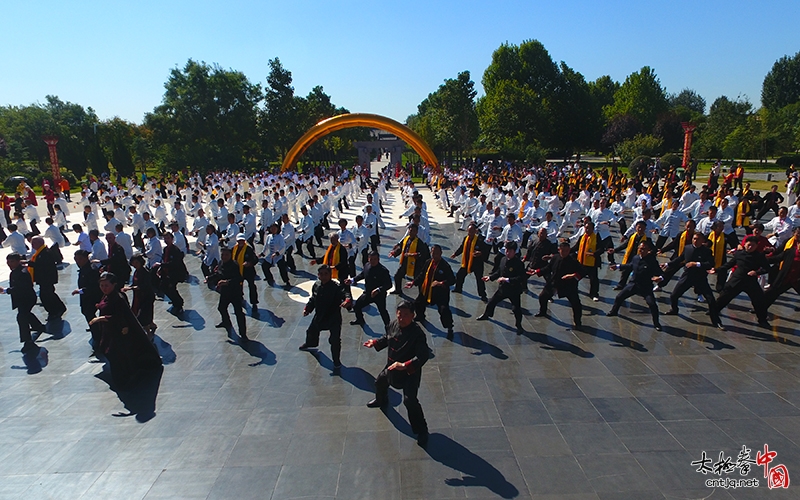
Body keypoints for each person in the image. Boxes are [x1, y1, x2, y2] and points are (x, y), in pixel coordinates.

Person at [363, 301, 430, 447]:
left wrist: (405, 365)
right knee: (379, 382)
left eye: (406, 315)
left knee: (409, 400)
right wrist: (375, 342)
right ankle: (382, 400)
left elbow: (423, 356)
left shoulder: (418, 334)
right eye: (400, 315)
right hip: (392, 366)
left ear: (412, 316)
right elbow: (387, 337)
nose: (402, 318)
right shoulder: (393, 324)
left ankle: (422, 430)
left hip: (409, 373)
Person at [89, 272, 163, 391]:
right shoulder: (107, 296)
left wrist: (101, 318)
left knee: (116, 355)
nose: (104, 288)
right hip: (110, 331)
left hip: (119, 332)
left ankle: (124, 380)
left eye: (106, 285)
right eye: (102, 285)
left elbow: (119, 316)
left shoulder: (117, 298)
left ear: (114, 285)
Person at [661, 232, 724, 329]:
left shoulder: (706, 251)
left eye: (698, 239)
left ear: (703, 241)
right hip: (688, 276)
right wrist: (668, 264)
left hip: (700, 278)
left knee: (711, 300)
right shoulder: (687, 248)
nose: (695, 241)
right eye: (694, 238)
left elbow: (710, 263)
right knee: (674, 295)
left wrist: (697, 264)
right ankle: (674, 309)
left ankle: (716, 321)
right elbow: (680, 259)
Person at [299, 265, 352, 370]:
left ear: (330, 275)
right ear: (318, 275)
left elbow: (345, 294)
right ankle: (310, 344)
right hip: (320, 316)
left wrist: (347, 301)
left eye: (326, 274)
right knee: (311, 331)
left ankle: (336, 361)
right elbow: (313, 299)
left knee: (335, 340)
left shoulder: (336, 287)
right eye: (321, 274)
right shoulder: (316, 285)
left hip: (333, 318)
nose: (324, 276)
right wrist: (308, 309)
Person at [710, 236, 770, 327]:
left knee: (759, 300)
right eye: (749, 245)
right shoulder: (739, 254)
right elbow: (728, 265)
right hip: (737, 280)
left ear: (756, 246)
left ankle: (762, 320)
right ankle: (714, 312)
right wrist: (717, 270)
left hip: (751, 282)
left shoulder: (759, 256)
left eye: (753, 246)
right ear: (745, 244)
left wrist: (757, 272)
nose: (750, 247)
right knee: (724, 296)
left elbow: (767, 268)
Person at [607, 240, 663, 331]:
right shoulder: (636, 258)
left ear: (648, 250)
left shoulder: (652, 261)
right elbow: (630, 266)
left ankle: (657, 323)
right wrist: (617, 266)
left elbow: (661, 273)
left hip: (646, 287)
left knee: (652, 305)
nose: (641, 250)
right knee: (619, 297)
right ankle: (614, 311)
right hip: (633, 284)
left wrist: (659, 278)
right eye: (640, 249)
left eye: (643, 249)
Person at [477, 241, 527, 334]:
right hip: (503, 289)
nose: (507, 253)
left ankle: (519, 325)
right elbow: (499, 272)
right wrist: (490, 277)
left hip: (514, 290)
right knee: (492, 302)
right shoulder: (503, 259)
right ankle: (487, 315)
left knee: (516, 309)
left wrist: (507, 279)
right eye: (506, 250)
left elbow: (521, 278)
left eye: (510, 251)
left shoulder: (519, 263)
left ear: (514, 251)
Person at [406, 244, 456, 337]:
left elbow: (452, 280)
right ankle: (421, 316)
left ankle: (449, 327)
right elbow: (422, 275)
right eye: (433, 253)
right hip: (427, 290)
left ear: (441, 253)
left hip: (440, 294)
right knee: (418, 303)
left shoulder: (445, 266)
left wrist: (441, 283)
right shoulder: (428, 262)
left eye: (437, 253)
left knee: (444, 310)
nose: (434, 255)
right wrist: (413, 282)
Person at [0, 253, 45, 354]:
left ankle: (27, 341)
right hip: (22, 299)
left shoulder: (22, 273)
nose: (9, 264)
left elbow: (21, 288)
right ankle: (38, 326)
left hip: (26, 299)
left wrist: (6, 290)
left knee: (21, 317)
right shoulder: (16, 271)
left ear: (17, 261)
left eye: (12, 262)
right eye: (8, 262)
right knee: (25, 314)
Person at [534, 241, 584, 329]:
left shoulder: (572, 261)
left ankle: (578, 321)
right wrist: (537, 271)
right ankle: (543, 311)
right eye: (563, 250)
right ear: (559, 250)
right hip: (554, 282)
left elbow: (582, 271)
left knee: (576, 304)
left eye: (567, 251)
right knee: (542, 297)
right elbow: (548, 268)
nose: (565, 253)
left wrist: (573, 275)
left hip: (569, 285)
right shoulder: (555, 258)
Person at [25, 236, 67, 322]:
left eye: (34, 243)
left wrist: (30, 264)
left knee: (46, 295)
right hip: (44, 278)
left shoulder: (45, 253)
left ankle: (55, 310)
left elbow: (43, 266)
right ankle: (57, 309)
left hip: (47, 278)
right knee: (48, 294)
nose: (32, 245)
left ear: (40, 243)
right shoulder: (40, 253)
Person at [346, 251, 392, 327]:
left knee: (383, 312)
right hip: (368, 294)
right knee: (357, 305)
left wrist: (378, 290)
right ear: (368, 259)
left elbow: (388, 284)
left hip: (379, 296)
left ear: (378, 259)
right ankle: (360, 320)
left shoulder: (383, 271)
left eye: (375, 259)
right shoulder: (367, 266)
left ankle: (389, 327)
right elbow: (362, 275)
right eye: (371, 259)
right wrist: (352, 280)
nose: (373, 261)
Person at [72, 249, 103, 353]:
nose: (77, 261)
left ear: (86, 258)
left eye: (80, 259)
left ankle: (98, 338)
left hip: (92, 297)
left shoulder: (91, 270)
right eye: (76, 259)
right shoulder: (83, 268)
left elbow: (94, 286)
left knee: (90, 314)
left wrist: (81, 291)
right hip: (86, 297)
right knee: (86, 312)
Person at [215, 247, 248, 342]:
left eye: (226, 255)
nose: (224, 257)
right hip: (225, 292)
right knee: (221, 308)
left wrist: (227, 282)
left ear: (230, 255)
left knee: (239, 313)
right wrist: (209, 278)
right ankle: (226, 322)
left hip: (235, 293)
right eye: (222, 255)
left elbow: (239, 279)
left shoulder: (234, 265)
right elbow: (218, 274)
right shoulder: (221, 263)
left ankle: (243, 333)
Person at [451, 222, 490, 301]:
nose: (470, 233)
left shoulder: (480, 240)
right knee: (460, 275)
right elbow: (462, 247)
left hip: (477, 264)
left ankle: (483, 294)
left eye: (472, 231)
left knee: (479, 279)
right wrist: (455, 254)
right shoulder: (466, 238)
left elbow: (486, 250)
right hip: (467, 261)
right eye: (469, 231)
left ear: (475, 231)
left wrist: (481, 253)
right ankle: (458, 288)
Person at [123, 254, 157, 340]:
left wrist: (131, 288)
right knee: (146, 314)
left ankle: (148, 333)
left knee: (143, 316)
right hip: (139, 297)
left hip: (147, 297)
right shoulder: (136, 272)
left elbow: (144, 286)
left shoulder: (145, 272)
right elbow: (134, 283)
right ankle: (152, 325)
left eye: (136, 262)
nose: (135, 264)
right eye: (133, 262)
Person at [389, 224, 430, 295]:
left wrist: (412, 255)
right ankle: (398, 290)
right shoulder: (406, 239)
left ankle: (422, 295)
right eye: (410, 231)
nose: (412, 233)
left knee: (419, 280)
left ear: (417, 232)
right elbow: (401, 248)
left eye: (414, 231)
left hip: (416, 264)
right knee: (397, 276)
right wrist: (394, 253)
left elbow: (423, 254)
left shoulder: (419, 242)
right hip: (405, 262)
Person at [157, 232, 187, 315]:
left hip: (174, 273)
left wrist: (162, 265)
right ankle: (175, 301)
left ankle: (179, 304)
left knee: (171, 288)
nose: (166, 240)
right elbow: (164, 259)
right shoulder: (165, 249)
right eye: (165, 238)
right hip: (166, 273)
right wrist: (161, 268)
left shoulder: (175, 250)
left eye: (168, 238)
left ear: (172, 239)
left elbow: (174, 263)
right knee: (163, 287)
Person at [232, 233, 260, 315]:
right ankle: (240, 298)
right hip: (238, 271)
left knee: (251, 286)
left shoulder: (248, 249)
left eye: (242, 240)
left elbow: (255, 259)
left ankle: (254, 302)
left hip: (248, 271)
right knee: (238, 286)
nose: (240, 242)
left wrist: (249, 263)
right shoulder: (234, 249)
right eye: (239, 240)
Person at [260, 223, 290, 287]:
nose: (273, 229)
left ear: (277, 229)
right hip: (271, 255)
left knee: (282, 268)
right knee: (264, 265)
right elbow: (266, 246)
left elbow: (283, 246)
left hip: (279, 255)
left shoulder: (280, 237)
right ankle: (269, 277)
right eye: (272, 228)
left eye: (274, 228)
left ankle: (286, 280)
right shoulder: (269, 236)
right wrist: (262, 253)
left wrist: (277, 253)